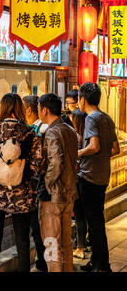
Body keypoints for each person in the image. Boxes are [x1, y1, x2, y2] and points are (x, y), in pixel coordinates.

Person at [0, 93, 42, 272]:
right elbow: (37, 166)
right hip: (23, 196)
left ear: (3, 108)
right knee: (22, 241)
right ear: (20, 109)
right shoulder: (31, 133)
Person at [77, 83, 120, 272]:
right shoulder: (107, 118)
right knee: (96, 221)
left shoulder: (91, 119)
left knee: (95, 224)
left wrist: (77, 153)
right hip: (102, 176)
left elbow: (94, 146)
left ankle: (103, 265)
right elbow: (115, 149)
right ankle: (96, 261)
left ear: (83, 99)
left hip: (90, 177)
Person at [37, 93, 78, 272]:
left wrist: (47, 182)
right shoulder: (69, 129)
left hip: (54, 196)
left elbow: (57, 161)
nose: (38, 112)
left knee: (52, 243)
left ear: (45, 110)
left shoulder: (52, 132)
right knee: (66, 242)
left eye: (38, 109)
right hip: (69, 193)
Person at [22, 95, 48, 272]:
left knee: (39, 227)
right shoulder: (35, 128)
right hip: (36, 185)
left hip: (40, 185)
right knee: (36, 227)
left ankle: (44, 262)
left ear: (29, 110)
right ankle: (42, 261)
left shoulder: (42, 130)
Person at [69, 109, 90, 259]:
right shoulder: (87, 137)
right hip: (86, 178)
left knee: (79, 215)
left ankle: (80, 248)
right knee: (85, 215)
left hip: (76, 179)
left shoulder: (75, 137)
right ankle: (86, 245)